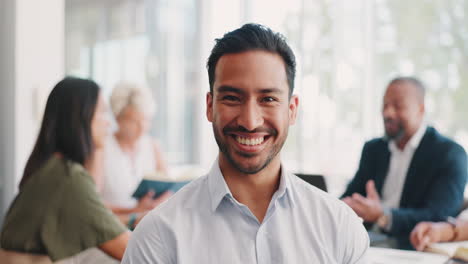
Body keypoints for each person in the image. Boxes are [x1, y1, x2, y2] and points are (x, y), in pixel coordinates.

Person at [122, 23, 368, 263]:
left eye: (268, 98)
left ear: (292, 110)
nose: (250, 122)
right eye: (232, 98)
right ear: (210, 107)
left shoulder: (339, 227)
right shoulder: (159, 236)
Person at [0, 77, 129, 262]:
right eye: (102, 112)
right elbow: (133, 251)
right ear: (80, 117)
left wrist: (97, 147)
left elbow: (95, 207)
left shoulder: (51, 169)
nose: (109, 123)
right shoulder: (69, 179)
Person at [342, 77, 467, 249]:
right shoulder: (373, 149)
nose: (388, 113)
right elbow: (351, 195)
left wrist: (383, 215)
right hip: (368, 243)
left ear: (420, 110)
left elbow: (440, 215)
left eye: (398, 106)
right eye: (385, 105)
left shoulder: (450, 154)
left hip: (416, 247)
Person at [99, 82, 171, 229]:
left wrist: (162, 201)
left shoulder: (153, 146)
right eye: (133, 121)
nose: (142, 127)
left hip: (150, 225)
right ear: (117, 118)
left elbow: (170, 187)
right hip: (114, 228)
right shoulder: (101, 148)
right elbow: (92, 204)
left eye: (146, 120)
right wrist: (136, 210)